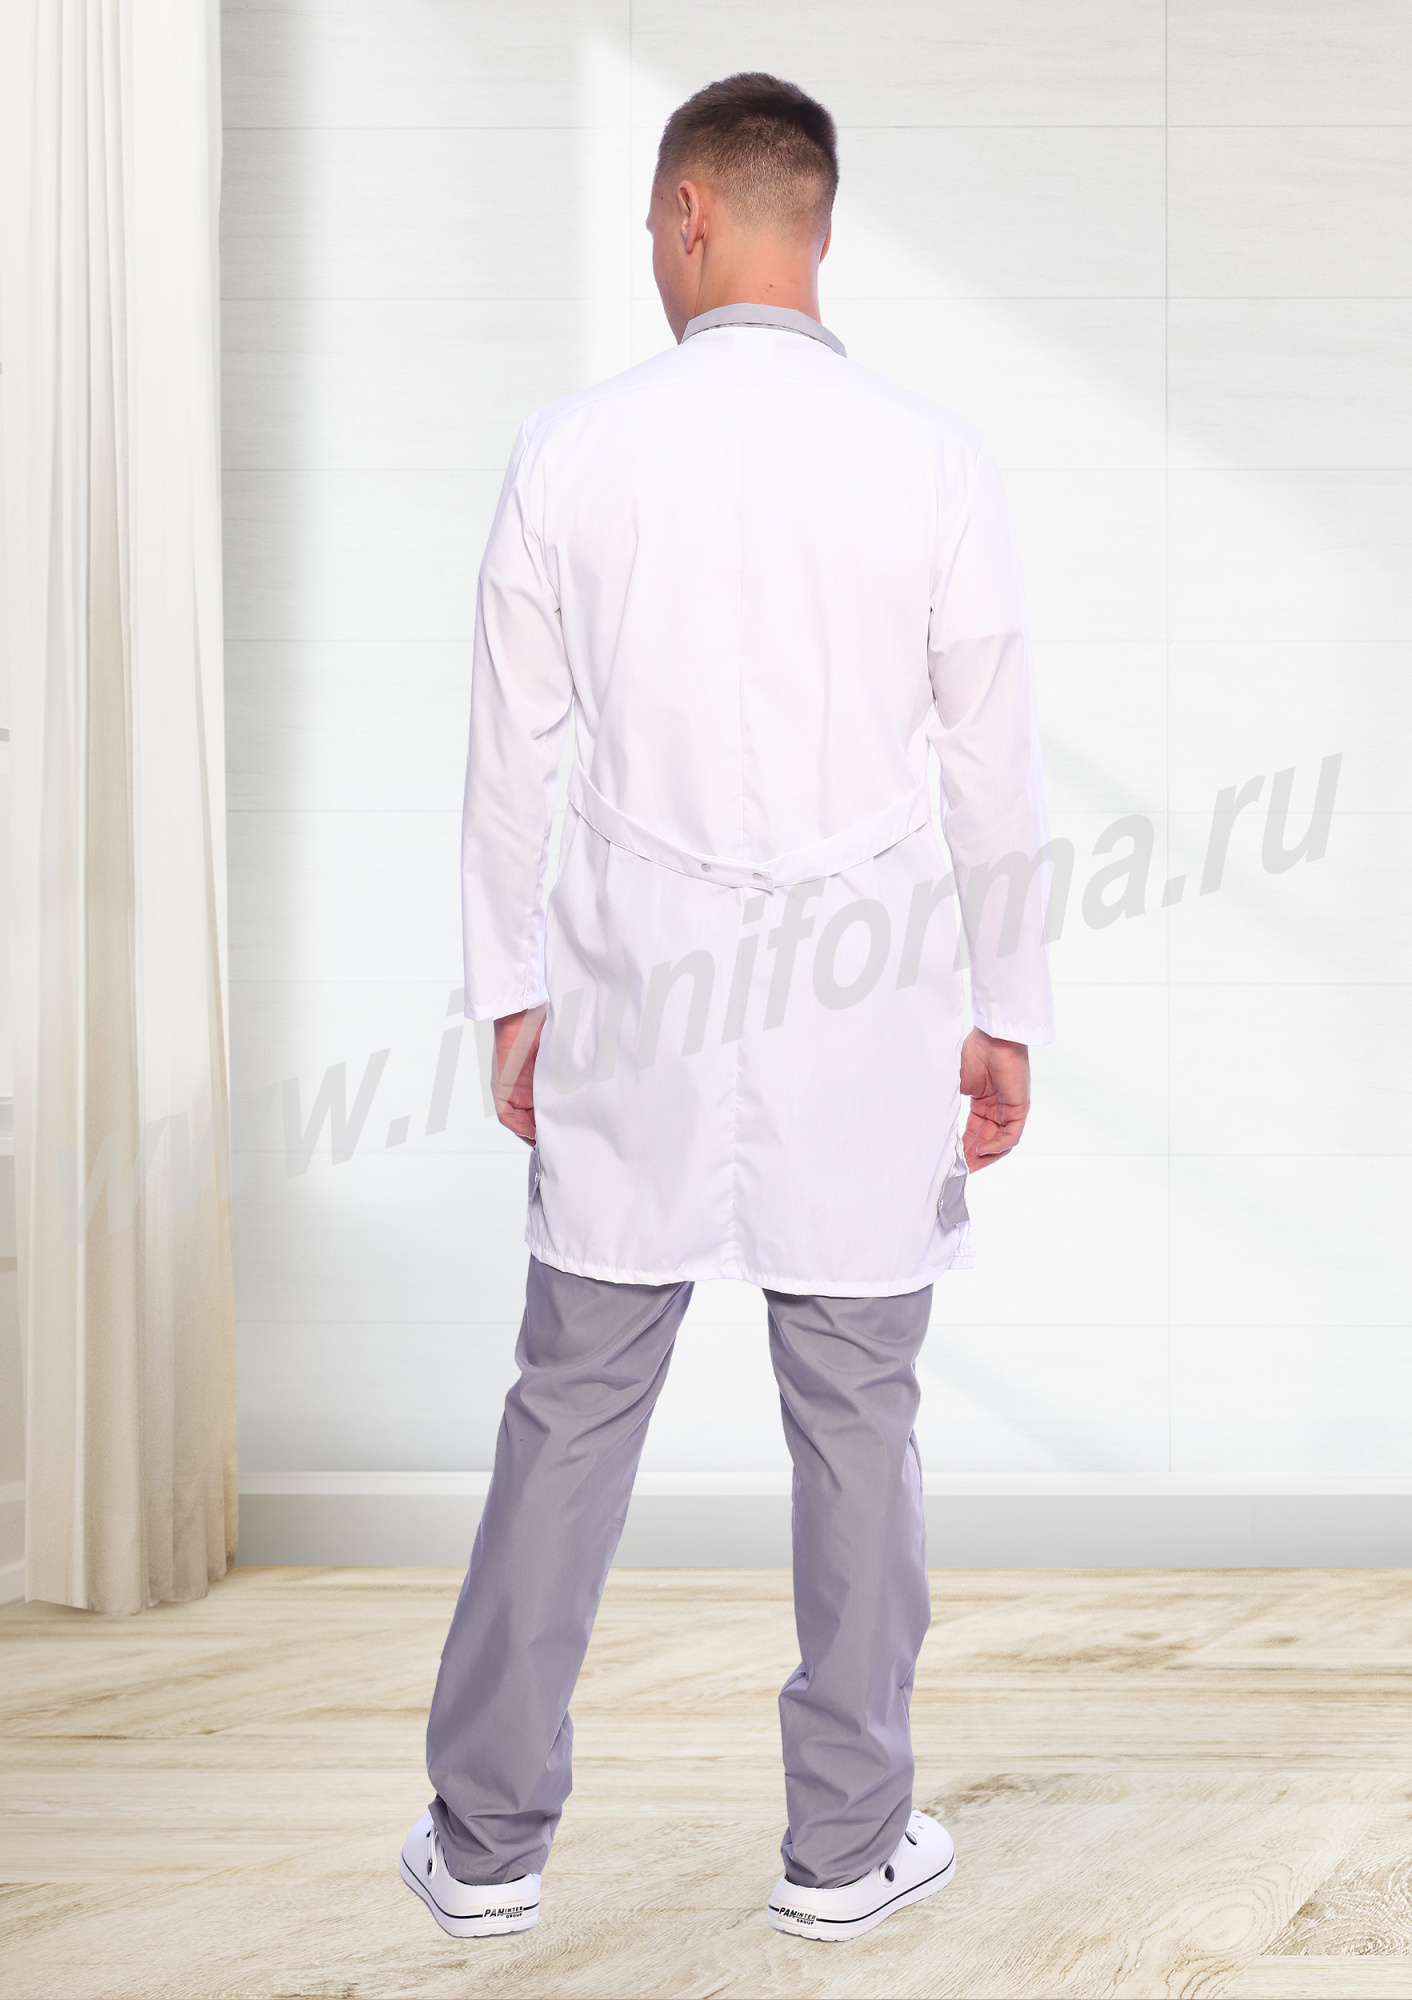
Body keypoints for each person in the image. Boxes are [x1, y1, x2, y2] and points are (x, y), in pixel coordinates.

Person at [400, 71, 1054, 1946]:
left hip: (635, 996)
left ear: (690, 212)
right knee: (858, 1417)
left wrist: (508, 994)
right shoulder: (934, 458)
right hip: (865, 1002)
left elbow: (507, 762)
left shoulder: (571, 450)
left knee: (572, 1405)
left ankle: (485, 1846)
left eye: (650, 223)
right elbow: (991, 765)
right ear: (811, 223)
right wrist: (1006, 1007)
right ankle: (845, 1850)